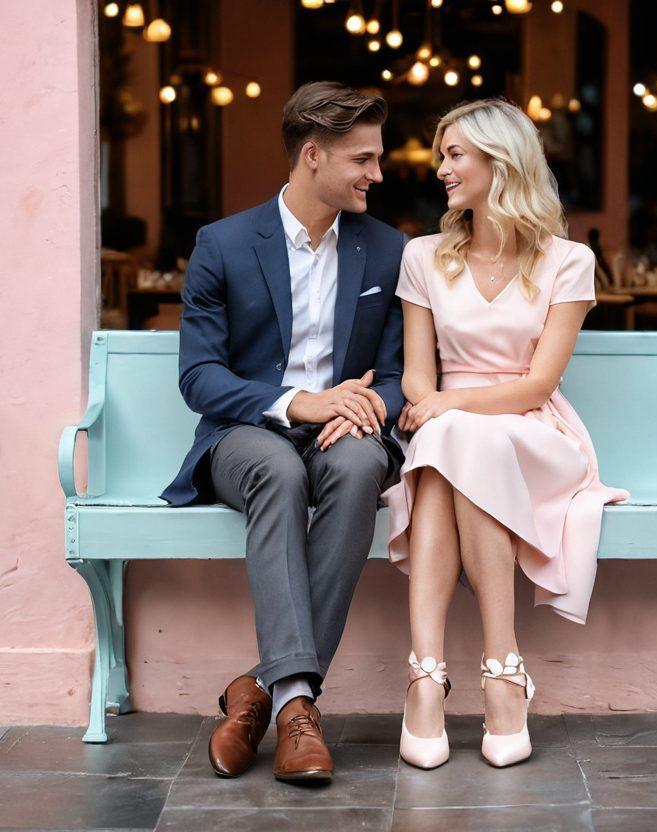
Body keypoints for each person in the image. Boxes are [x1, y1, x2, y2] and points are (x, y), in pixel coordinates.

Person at [160, 81, 406, 783]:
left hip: (345, 431)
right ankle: (299, 709)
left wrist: (366, 407)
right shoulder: (225, 244)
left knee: (362, 468)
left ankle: (267, 696)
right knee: (279, 469)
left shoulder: (387, 252)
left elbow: (395, 378)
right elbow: (199, 378)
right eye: (363, 159)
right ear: (311, 156)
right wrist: (301, 403)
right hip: (247, 433)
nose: (377, 174)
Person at [376, 99, 629, 770]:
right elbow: (418, 380)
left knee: (455, 442)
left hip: (533, 433)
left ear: (501, 161)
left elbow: (537, 385)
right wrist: (440, 411)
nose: (440, 169)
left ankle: (439, 677)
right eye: (442, 155)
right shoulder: (423, 256)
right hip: (447, 432)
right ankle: (489, 673)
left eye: (455, 154)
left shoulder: (568, 261)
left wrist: (449, 412)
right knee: (450, 445)